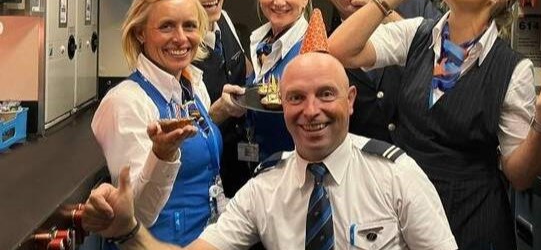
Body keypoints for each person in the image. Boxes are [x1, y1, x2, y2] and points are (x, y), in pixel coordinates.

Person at [328, 0, 541, 249]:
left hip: (472, 224)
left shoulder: (512, 69)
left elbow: (519, 175)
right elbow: (339, 50)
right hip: (406, 216)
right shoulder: (416, 34)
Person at [82, 52, 459, 250]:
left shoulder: (396, 175)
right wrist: (128, 231)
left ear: (350, 100)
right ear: (282, 107)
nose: (311, 111)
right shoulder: (265, 189)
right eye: (296, 98)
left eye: (326, 94)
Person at [91, 0, 224, 247]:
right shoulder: (125, 102)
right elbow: (136, 214)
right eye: (166, 26)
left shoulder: (192, 84)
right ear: (140, 33)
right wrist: (161, 155)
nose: (180, 38)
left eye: (189, 26)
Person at [317, 0, 443, 141]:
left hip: (421, 157)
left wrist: (383, 11)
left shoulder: (419, 8)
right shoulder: (327, 46)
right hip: (365, 164)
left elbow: (445, 60)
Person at [173, 0, 252, 197]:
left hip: (243, 167)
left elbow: (245, 66)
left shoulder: (225, 20)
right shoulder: (175, 51)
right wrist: (217, 111)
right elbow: (177, 135)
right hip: (205, 179)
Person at [244, 0, 311, 162]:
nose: (279, 1)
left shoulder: (313, 48)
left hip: (295, 171)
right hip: (257, 167)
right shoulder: (256, 42)